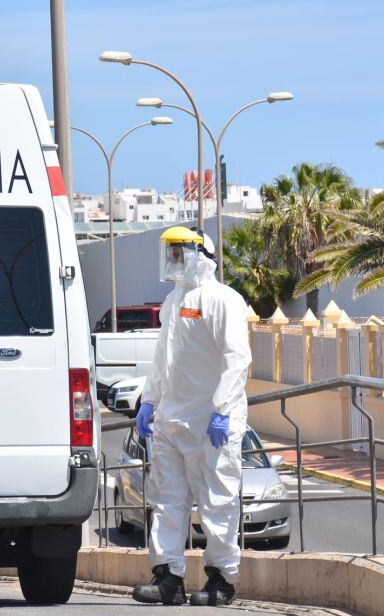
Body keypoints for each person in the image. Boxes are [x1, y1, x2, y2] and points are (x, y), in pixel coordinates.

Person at [132, 226, 252, 607]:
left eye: (180, 251)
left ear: (202, 254)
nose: (174, 259)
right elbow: (162, 359)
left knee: (217, 501)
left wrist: (222, 410)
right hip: (171, 419)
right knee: (167, 500)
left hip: (211, 422)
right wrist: (149, 401)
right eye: (171, 251)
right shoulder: (172, 301)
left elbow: (238, 360)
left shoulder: (224, 300)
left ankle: (220, 580)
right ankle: (169, 577)